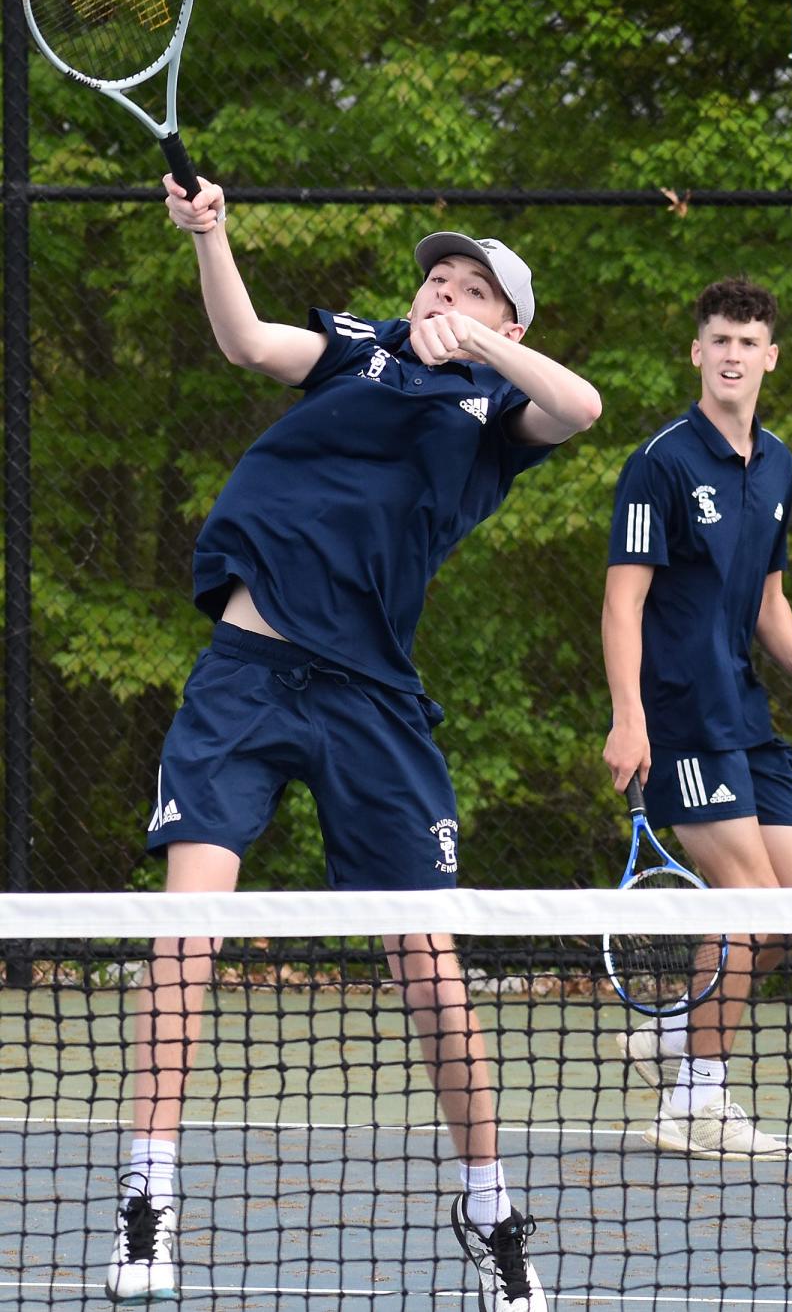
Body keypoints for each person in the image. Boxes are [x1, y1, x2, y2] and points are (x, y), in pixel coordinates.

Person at [105, 174, 602, 1308]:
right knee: (187, 933)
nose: (445, 286)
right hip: (247, 674)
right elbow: (244, 340)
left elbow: (582, 408)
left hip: (373, 702)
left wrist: (479, 342)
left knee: (428, 965)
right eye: (440, 273)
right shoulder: (358, 350)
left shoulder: (493, 415)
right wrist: (212, 235)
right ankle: (147, 1197)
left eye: (475, 285)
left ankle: (491, 1207)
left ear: (505, 322)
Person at [601, 276, 792, 1162]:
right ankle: (694, 1101)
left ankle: (673, 1034)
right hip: (680, 717)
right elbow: (622, 605)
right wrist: (630, 719)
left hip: (747, 712)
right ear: (697, 353)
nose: (733, 354)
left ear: (770, 356)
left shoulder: (777, 463)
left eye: (748, 341)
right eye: (719, 340)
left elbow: (768, 596)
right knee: (747, 906)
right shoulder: (658, 462)